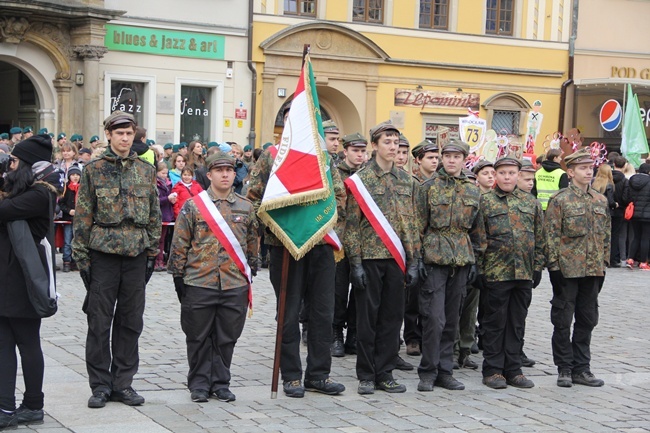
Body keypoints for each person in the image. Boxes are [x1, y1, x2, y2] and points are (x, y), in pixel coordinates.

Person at [247, 126, 347, 399]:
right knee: (288, 314)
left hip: (321, 245)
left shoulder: (324, 160)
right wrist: (282, 223)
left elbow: (340, 197)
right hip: (286, 246)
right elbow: (253, 198)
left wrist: (317, 220)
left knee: (323, 313)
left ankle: (318, 374)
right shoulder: (272, 156)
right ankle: (291, 376)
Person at [72, 111, 162, 408]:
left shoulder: (145, 171)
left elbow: (153, 216)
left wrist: (151, 252)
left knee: (131, 321)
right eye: (119, 133)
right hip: (103, 256)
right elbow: (83, 216)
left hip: (136, 254)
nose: (125, 139)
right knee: (99, 322)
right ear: (109, 135)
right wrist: (82, 259)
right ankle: (100, 385)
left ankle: (123, 383)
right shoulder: (93, 170)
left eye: (129, 134)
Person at [168, 151, 258, 403]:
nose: (226, 174)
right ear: (209, 175)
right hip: (199, 281)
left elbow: (252, 244)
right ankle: (198, 383)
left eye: (229, 170)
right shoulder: (193, 206)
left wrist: (251, 271)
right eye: (219, 170)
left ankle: (220, 382)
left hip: (234, 283)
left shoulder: (246, 206)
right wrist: (178, 277)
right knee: (197, 336)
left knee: (227, 336)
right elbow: (180, 244)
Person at [344, 121, 421, 395]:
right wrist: (355, 263)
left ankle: (385, 372)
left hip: (397, 260)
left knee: (392, 319)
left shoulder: (408, 182)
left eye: (396, 143)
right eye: (386, 142)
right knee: (367, 319)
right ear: (374, 146)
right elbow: (351, 225)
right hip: (370, 259)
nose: (392, 147)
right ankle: (366, 374)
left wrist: (414, 260)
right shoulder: (360, 180)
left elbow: (411, 223)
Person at [0, 134, 58, 429]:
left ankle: (33, 404)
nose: (9, 167)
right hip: (7, 280)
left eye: (14, 162)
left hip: (23, 282)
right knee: (4, 344)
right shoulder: (23, 190)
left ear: (26, 164)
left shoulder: (40, 194)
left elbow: (4, 211)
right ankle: (7, 408)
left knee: (27, 343)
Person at [416, 139, 481, 392]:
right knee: (434, 319)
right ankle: (428, 371)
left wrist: (476, 258)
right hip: (434, 258)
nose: (451, 160)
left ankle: (445, 370)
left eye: (457, 156)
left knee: (452, 319)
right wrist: (417, 259)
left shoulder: (472, 190)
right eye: (447, 156)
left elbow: (477, 229)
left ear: (464, 159)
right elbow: (417, 226)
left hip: (462, 259)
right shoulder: (428, 187)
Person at [476, 157, 544, 389]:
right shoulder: (485, 202)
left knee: (517, 322)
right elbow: (478, 237)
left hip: (523, 272)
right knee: (495, 323)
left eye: (511, 173)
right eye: (502, 173)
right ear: (495, 175)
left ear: (518, 175)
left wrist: (537, 266)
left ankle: (514, 369)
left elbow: (539, 236)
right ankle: (493, 370)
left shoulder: (530, 202)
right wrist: (480, 269)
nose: (507, 177)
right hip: (496, 272)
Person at [544, 148, 609, 388]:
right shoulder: (560, 200)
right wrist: (553, 267)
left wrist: (604, 263)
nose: (588, 171)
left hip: (592, 270)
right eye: (582, 168)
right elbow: (550, 235)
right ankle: (564, 368)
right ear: (570, 172)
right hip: (567, 270)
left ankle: (582, 368)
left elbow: (606, 235)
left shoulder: (600, 200)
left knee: (587, 319)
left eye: (590, 167)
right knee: (562, 320)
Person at [331, 132, 367, 358]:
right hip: (340, 239)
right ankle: (335, 334)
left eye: (363, 151)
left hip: (364, 239)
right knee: (338, 289)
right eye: (355, 151)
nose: (360, 155)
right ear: (346, 151)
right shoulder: (335, 173)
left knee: (361, 289)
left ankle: (354, 333)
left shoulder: (369, 175)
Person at [623, 163, 650, 270]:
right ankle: (643, 262)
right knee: (645, 238)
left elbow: (626, 196)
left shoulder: (631, 180)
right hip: (648, 214)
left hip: (634, 213)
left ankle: (630, 259)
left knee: (636, 236)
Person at [58, 163, 82, 272]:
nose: (75, 176)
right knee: (68, 241)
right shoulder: (66, 188)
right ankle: (66, 261)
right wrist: (69, 211)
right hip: (68, 219)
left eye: (77, 174)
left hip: (80, 219)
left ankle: (75, 261)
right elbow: (61, 204)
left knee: (77, 240)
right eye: (73, 174)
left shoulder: (83, 187)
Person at [155, 162, 176, 271]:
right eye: (162, 173)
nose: (165, 175)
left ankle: (161, 260)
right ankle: (155, 260)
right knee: (156, 239)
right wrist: (167, 198)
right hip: (158, 214)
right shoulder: (155, 184)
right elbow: (156, 201)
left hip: (167, 215)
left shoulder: (168, 184)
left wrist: (172, 200)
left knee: (162, 240)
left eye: (166, 173)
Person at [611, 156, 629, 267]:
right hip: (619, 210)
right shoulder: (624, 180)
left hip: (606, 209)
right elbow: (625, 197)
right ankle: (614, 258)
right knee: (616, 234)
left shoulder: (607, 178)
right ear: (625, 166)